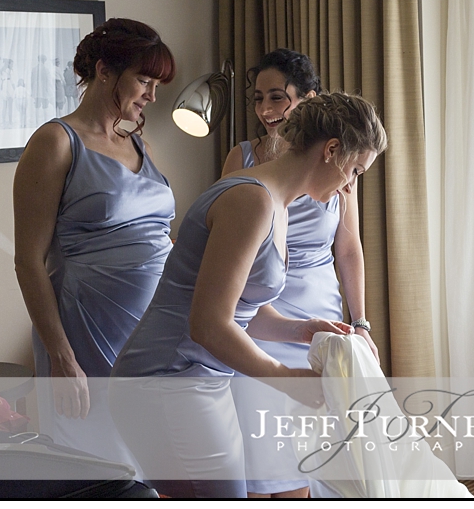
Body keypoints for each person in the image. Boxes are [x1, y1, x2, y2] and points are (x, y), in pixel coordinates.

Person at [110, 92, 388, 498]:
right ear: (331, 150)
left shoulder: (274, 202)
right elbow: (208, 324)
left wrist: (301, 329)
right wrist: (287, 379)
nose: (351, 187)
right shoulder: (251, 201)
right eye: (356, 171)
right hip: (167, 379)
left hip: (199, 378)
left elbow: (242, 310)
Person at [13, 18, 176, 468]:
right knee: (99, 468)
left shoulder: (138, 142)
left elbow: (156, 233)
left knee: (155, 468)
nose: (152, 95)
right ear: (104, 71)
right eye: (144, 80)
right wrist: (64, 361)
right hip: (89, 332)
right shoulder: (55, 142)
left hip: (152, 332)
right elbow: (28, 262)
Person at [221, 49, 377, 498]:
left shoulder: (339, 162)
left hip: (316, 308)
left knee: (309, 447)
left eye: (277, 98)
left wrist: (360, 322)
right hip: (258, 312)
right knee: (262, 441)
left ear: (308, 99)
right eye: (258, 99)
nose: (266, 111)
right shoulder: (244, 159)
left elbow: (348, 247)